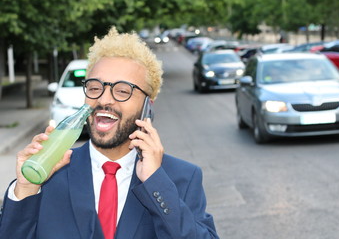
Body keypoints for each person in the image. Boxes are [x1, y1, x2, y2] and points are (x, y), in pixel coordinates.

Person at [0, 26, 219, 239]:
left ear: (147, 106)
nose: (104, 100)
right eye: (95, 88)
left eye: (122, 91)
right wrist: (26, 188)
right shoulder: (47, 175)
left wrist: (155, 183)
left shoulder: (181, 178)